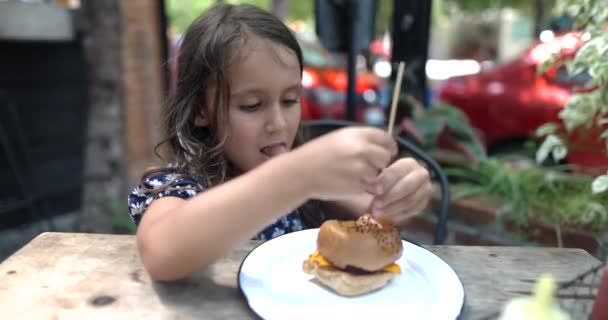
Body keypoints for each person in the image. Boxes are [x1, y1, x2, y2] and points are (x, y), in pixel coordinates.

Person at [127, 3, 432, 281]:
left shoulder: (312, 183)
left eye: (289, 100)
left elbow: (376, 212)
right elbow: (160, 254)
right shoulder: (180, 185)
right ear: (199, 111)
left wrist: (399, 193)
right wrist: (295, 175)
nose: (278, 123)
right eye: (251, 105)